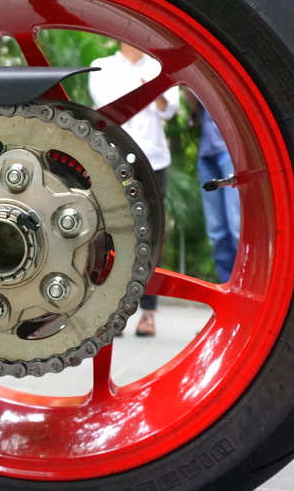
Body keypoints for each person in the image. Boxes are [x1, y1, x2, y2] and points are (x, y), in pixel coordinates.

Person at [89, 42, 180, 336]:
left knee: (153, 234)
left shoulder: (157, 68)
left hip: (153, 160)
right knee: (111, 231)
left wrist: (154, 90)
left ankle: (149, 313)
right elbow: (106, 109)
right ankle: (112, 312)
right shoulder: (102, 66)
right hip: (114, 159)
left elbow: (169, 111)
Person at [186, 95, 240, 284]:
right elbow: (195, 104)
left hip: (232, 147)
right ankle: (228, 284)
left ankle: (250, 285)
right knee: (217, 231)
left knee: (237, 226)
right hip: (208, 147)